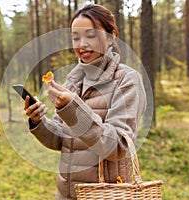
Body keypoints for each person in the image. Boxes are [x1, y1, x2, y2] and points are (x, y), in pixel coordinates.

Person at [24, 4, 147, 200]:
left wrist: (73, 109)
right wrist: (39, 121)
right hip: (66, 193)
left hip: (105, 194)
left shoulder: (127, 80)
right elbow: (59, 139)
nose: (82, 44)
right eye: (75, 37)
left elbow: (118, 147)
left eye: (90, 35)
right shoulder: (73, 81)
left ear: (111, 36)